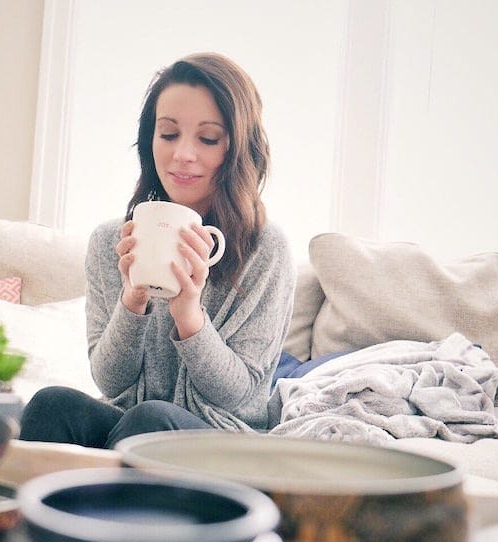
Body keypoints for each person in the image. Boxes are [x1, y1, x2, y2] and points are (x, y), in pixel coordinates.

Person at [18, 52, 296, 449]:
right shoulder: (111, 242)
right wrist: (132, 302)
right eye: (168, 134)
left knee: (150, 422)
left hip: (222, 439)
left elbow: (239, 393)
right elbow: (109, 381)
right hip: (127, 426)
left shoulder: (265, 250)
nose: (183, 154)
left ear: (235, 149)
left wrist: (189, 314)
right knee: (52, 405)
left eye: (208, 138)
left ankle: (97, 499)